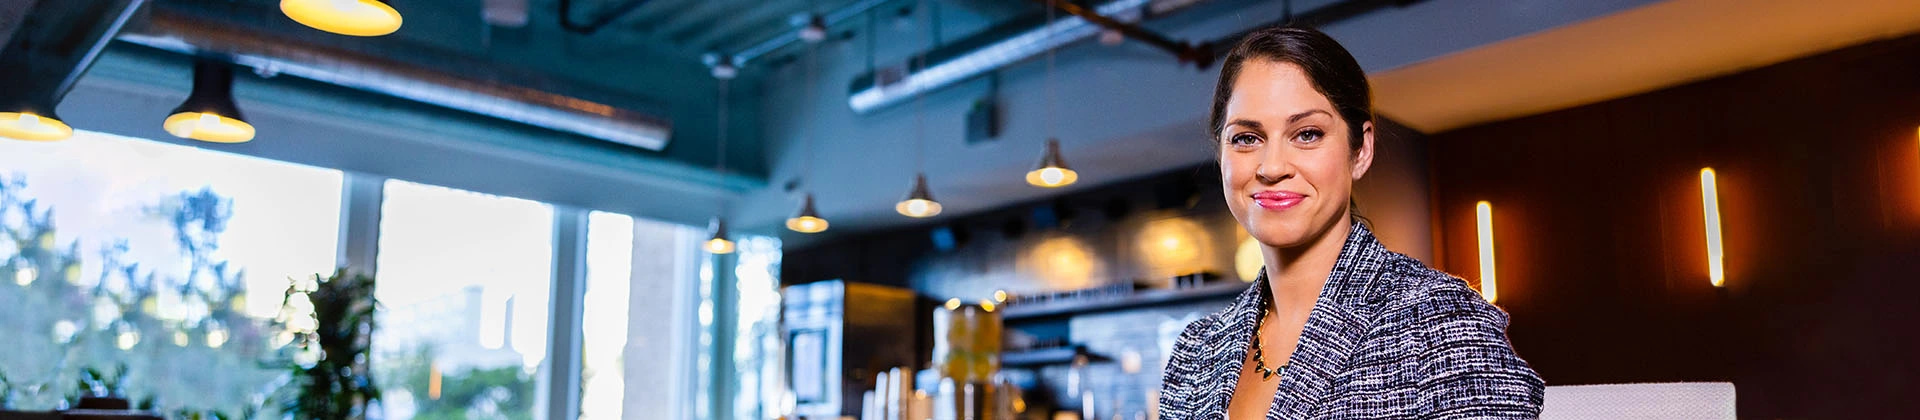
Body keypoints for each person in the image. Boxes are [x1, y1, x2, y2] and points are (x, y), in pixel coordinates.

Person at [1157, 26, 1545, 419]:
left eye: (1307, 134)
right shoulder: (1195, 351)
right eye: (1246, 138)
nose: (1272, 167)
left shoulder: (1442, 322)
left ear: (1361, 151)